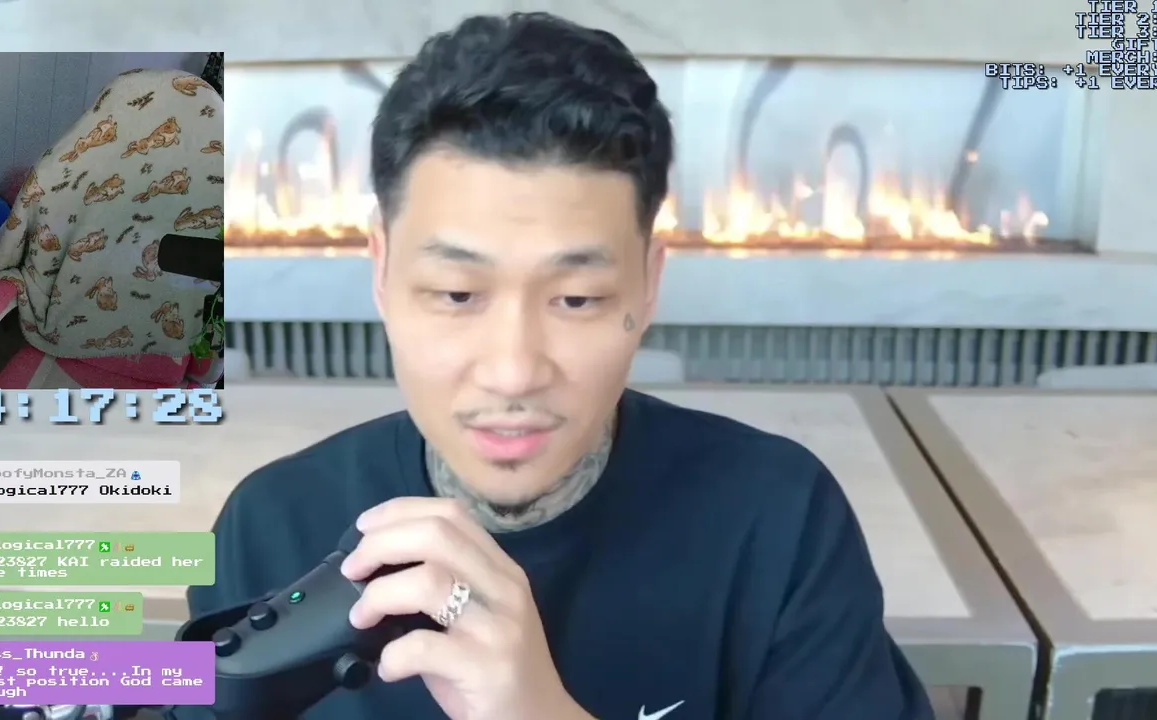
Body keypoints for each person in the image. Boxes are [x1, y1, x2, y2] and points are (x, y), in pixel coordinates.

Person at [189, 12, 933, 720]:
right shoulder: (268, 523)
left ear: (647, 284)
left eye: (577, 299)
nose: (514, 373)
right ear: (381, 272)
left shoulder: (779, 521)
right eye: (457, 293)